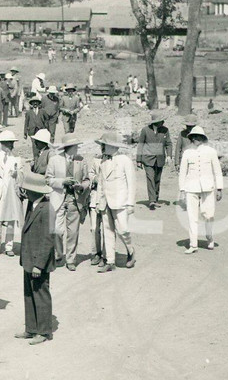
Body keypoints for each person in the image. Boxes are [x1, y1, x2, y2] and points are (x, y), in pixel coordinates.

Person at [16, 172, 55, 345]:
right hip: (28, 259)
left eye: (27, 190)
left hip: (38, 261)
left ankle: (44, 331)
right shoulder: (32, 205)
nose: (25, 192)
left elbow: (48, 239)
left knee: (41, 294)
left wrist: (39, 264)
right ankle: (31, 328)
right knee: (29, 294)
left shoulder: (47, 209)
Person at [92, 131, 137, 272]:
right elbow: (101, 182)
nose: (102, 148)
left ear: (112, 146)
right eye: (102, 145)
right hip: (105, 202)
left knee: (123, 229)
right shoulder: (103, 161)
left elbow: (132, 183)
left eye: (104, 145)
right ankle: (110, 261)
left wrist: (130, 203)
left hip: (121, 202)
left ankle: (131, 251)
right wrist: (99, 201)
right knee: (108, 231)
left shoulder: (125, 160)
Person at [45, 133, 89, 271]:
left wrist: (81, 186)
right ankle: (58, 254)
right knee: (57, 230)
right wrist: (62, 181)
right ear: (69, 147)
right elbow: (48, 179)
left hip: (75, 200)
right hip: (58, 198)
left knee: (73, 231)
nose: (77, 148)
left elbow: (87, 179)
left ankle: (71, 259)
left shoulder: (81, 161)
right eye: (76, 146)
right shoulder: (54, 160)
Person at [178, 126, 224, 254]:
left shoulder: (210, 152)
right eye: (194, 137)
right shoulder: (187, 153)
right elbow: (182, 173)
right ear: (191, 138)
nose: (196, 139)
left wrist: (219, 188)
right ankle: (193, 244)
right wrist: (182, 190)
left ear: (203, 138)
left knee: (208, 215)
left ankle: (209, 237)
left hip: (207, 187)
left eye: (199, 137)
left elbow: (217, 171)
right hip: (191, 188)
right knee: (192, 217)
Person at [0, 129, 24, 257]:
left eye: (11, 143)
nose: (10, 146)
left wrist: (16, 174)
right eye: (7, 143)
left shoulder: (16, 159)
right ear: (1, 144)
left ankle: (9, 246)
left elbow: (22, 178)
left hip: (11, 193)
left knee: (11, 221)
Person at [137, 111, 172, 210]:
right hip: (147, 159)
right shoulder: (145, 130)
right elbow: (141, 145)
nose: (163, 122)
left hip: (160, 159)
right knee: (150, 178)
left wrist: (169, 156)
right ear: (154, 122)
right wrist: (138, 160)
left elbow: (168, 144)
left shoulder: (165, 130)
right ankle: (151, 200)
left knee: (157, 179)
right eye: (160, 121)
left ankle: (155, 198)